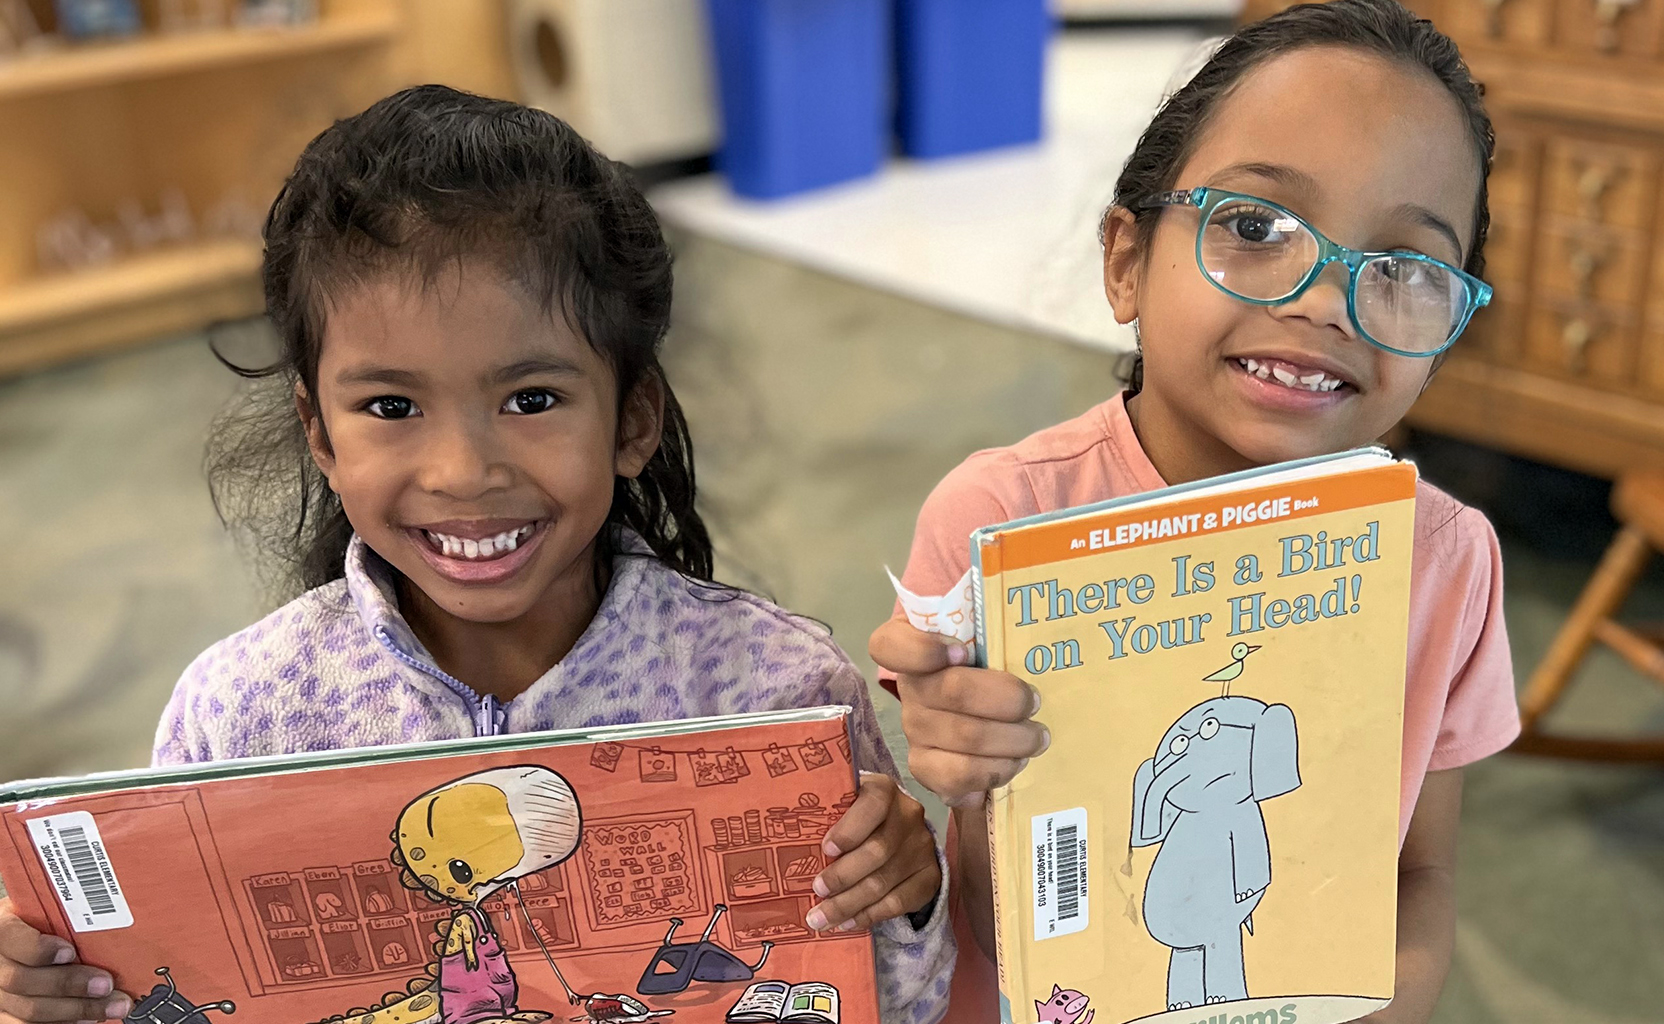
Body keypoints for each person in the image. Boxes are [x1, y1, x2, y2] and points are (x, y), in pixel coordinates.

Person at [0, 86, 952, 1024]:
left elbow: (908, 1000)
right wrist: (66, 994)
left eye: (532, 399)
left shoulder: (777, 692)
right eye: (391, 408)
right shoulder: (239, 716)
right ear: (319, 434)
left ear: (634, 418)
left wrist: (909, 896)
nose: (462, 472)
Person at [868, 3, 1518, 1022]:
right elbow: (1004, 915)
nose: (1325, 301)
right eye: (1257, 228)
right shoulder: (1006, 521)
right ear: (1127, 260)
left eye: (1401, 267)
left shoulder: (1445, 563)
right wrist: (968, 769)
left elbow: (1422, 871)